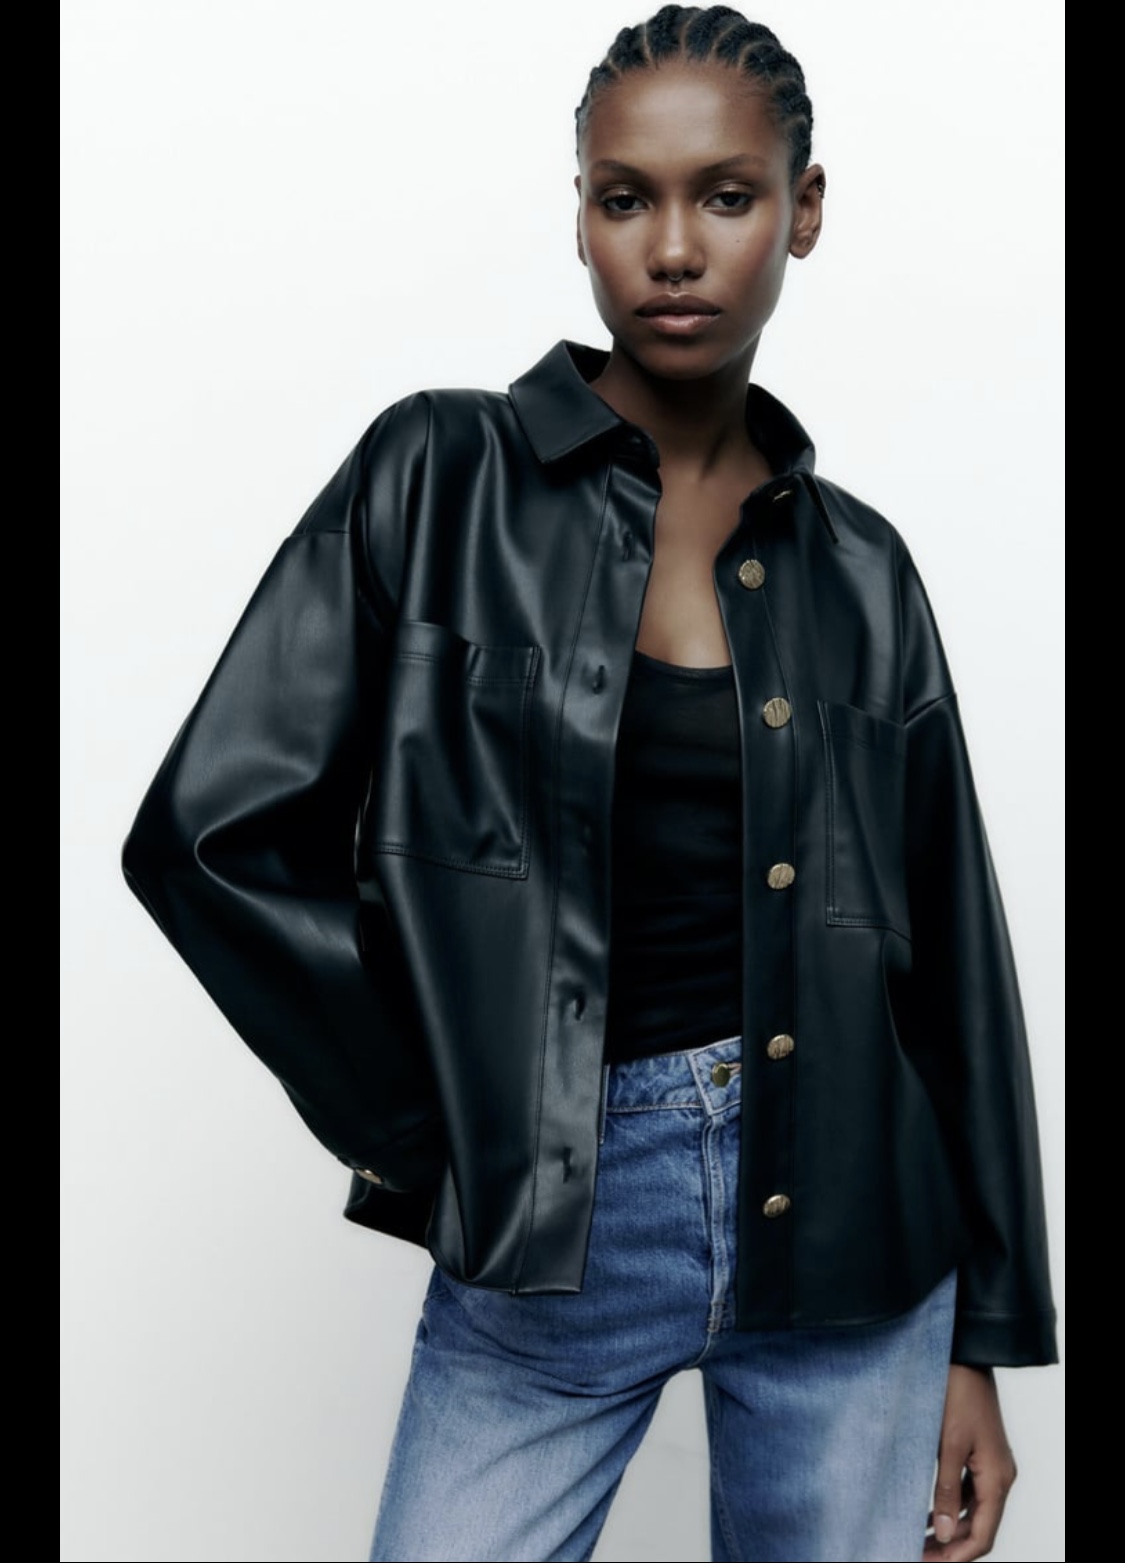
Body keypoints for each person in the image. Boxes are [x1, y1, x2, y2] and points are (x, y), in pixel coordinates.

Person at [120, 7, 1058, 1561]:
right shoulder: (436, 475)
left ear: (803, 211)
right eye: (626, 199)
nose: (672, 249)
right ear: (579, 216)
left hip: (853, 1238)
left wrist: (984, 1332)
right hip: (553, 1225)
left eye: (727, 196)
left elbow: (952, 960)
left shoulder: (862, 571)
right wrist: (431, 1125)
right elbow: (207, 835)